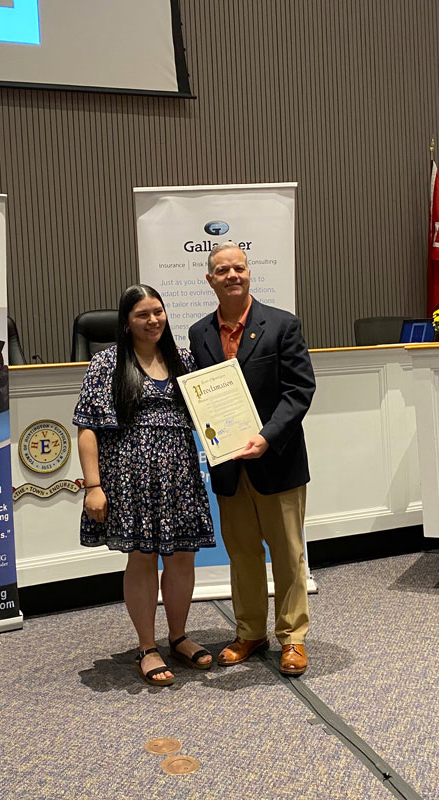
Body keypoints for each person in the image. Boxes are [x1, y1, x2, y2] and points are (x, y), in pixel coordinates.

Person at [74, 284, 215, 687]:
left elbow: (211, 410)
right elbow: (86, 429)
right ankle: (147, 645)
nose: (153, 320)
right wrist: (93, 486)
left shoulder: (184, 359)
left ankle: (179, 636)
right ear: (126, 322)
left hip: (179, 475)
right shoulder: (106, 363)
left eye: (158, 311)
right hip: (129, 478)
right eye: (142, 314)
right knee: (141, 559)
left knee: (182, 558)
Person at [189, 242, 316, 676]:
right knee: (242, 553)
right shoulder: (199, 333)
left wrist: (266, 437)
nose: (232, 275)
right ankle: (249, 632)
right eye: (222, 270)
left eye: (238, 268)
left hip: (276, 460)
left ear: (249, 273)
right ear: (210, 280)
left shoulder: (282, 325)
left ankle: (293, 639)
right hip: (228, 465)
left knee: (286, 553)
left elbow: (299, 391)